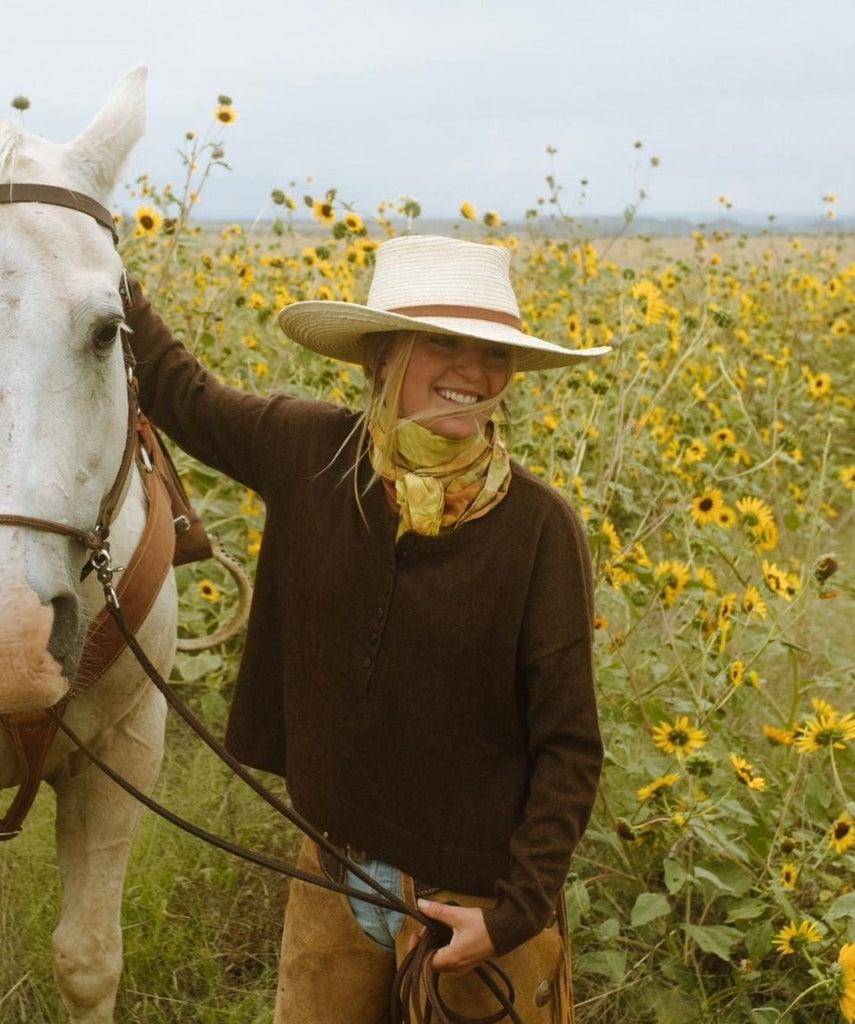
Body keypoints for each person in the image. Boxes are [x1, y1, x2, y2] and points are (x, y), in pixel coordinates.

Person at [124, 234, 608, 1023]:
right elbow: (185, 397)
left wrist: (514, 913)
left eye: (492, 354)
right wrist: (104, 267)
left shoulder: (538, 528)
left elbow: (569, 743)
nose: (471, 373)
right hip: (331, 876)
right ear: (379, 359)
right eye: (442, 344)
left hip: (476, 903)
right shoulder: (311, 452)